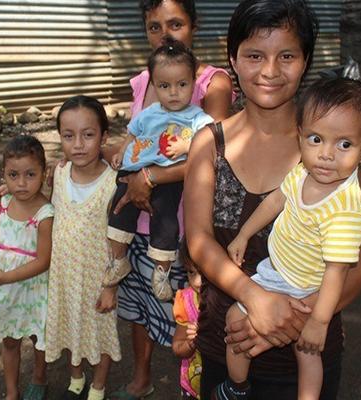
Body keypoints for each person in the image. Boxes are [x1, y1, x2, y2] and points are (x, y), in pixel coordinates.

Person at [183, 1, 361, 399]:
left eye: (287, 56)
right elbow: (200, 241)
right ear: (233, 59)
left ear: (306, 60)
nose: (270, 71)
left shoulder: (329, 150)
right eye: (255, 55)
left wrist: (291, 321)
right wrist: (253, 298)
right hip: (227, 342)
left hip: (305, 356)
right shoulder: (210, 143)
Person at [216, 77, 361, 400]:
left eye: (344, 144)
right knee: (296, 348)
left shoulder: (344, 210)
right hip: (279, 270)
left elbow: (337, 271)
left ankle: (238, 388)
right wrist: (244, 235)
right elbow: (277, 199)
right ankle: (247, 387)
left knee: (292, 342)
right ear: (301, 136)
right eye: (316, 139)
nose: (327, 155)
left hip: (303, 286)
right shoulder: (303, 172)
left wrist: (318, 320)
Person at [110, 0, 235, 398]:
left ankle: (193, 386)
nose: (165, 34)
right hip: (138, 221)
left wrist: (149, 176)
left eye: (175, 24)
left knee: (189, 317)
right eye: (154, 27)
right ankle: (143, 376)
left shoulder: (212, 83)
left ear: (194, 27)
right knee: (139, 307)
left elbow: (213, 152)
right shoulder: (144, 80)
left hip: (181, 223)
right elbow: (137, 140)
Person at [105, 39, 213, 302]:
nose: (174, 92)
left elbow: (212, 140)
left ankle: (161, 271)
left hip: (168, 178)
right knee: (117, 209)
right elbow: (132, 133)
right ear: (153, 84)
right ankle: (119, 260)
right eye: (165, 86)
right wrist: (122, 151)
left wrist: (188, 143)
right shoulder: (149, 112)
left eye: (182, 84)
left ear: (193, 84)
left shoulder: (197, 116)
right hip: (134, 170)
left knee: (165, 220)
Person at [44, 95, 121, 400]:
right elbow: (42, 205)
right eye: (68, 136)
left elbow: (119, 240)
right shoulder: (59, 174)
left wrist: (111, 285)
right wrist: (8, 193)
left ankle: (99, 384)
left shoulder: (115, 183)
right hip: (63, 275)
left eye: (88, 135)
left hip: (97, 279)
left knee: (100, 332)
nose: (78, 144)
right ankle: (76, 374)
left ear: (104, 137)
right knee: (66, 323)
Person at [0, 135, 54, 400]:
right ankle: (11, 392)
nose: (21, 183)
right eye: (13, 175)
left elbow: (43, 261)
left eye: (30, 174)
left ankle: (39, 377)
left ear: (44, 173)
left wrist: (5, 277)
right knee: (9, 340)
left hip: (32, 287)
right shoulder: (5, 202)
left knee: (36, 336)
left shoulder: (45, 214)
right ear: (3, 176)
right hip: (5, 286)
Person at [172, 237, 203, 399]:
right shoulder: (186, 300)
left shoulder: (231, 304)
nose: (197, 282)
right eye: (191, 272)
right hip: (192, 386)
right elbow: (177, 348)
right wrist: (192, 342)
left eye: (204, 273)